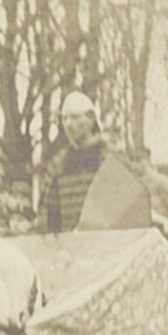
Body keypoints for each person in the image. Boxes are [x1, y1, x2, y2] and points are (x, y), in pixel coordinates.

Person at [38, 92, 105, 233]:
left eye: (75, 117)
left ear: (91, 118)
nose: (68, 124)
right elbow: (48, 213)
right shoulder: (57, 164)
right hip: (69, 247)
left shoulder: (109, 158)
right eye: (64, 118)